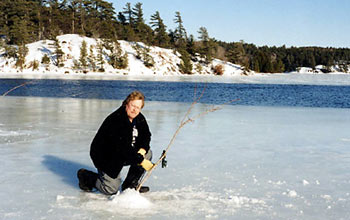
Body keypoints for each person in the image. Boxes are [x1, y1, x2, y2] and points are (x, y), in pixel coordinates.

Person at [77, 91, 154, 194]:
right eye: (133, 106)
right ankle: (86, 177)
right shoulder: (117, 119)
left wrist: (142, 150)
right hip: (106, 156)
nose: (135, 110)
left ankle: (130, 185)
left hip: (123, 154)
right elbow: (122, 147)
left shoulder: (139, 118)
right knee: (111, 189)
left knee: (147, 153)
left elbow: (146, 135)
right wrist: (140, 160)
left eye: (138, 107)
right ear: (126, 104)